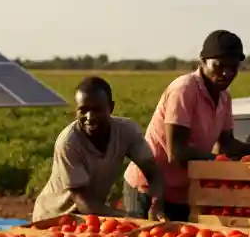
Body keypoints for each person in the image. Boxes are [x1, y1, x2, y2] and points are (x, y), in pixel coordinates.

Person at [123, 29, 250, 222]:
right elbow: (177, 153)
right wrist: (219, 161)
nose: (227, 73)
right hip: (150, 188)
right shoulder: (185, 89)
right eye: (220, 66)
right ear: (203, 61)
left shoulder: (224, 96)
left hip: (185, 191)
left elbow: (227, 143)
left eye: (233, 67)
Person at [33, 76, 166, 222]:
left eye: (97, 110)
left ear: (111, 107)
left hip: (91, 218)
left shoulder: (126, 131)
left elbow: (151, 169)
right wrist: (126, 217)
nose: (90, 117)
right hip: (55, 218)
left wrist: (157, 202)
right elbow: (83, 202)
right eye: (83, 110)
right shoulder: (69, 142)